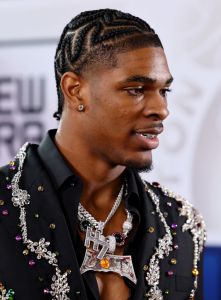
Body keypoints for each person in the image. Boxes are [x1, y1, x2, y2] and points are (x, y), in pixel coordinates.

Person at [0, 8, 206, 300]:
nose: (161, 109)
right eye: (136, 89)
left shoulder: (183, 226)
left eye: (164, 91)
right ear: (75, 90)